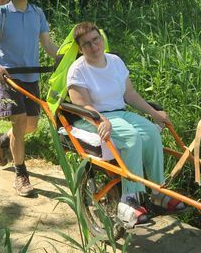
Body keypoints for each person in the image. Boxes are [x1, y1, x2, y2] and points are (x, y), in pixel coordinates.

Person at [66, 21, 186, 228]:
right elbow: (81, 104)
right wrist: (101, 120)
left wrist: (154, 113)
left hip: (119, 114)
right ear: (80, 48)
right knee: (131, 137)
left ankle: (158, 192)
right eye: (87, 44)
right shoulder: (78, 69)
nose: (93, 47)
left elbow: (129, 94)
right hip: (91, 118)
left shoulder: (115, 61)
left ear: (101, 39)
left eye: (96, 40)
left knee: (150, 132)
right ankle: (128, 199)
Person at [0, 0, 58, 197]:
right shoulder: (0, 13)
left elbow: (48, 44)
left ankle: (2, 141)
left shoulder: (37, 13)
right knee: (20, 122)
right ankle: (21, 175)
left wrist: (66, 60)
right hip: (8, 77)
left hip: (32, 76)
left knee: (30, 125)